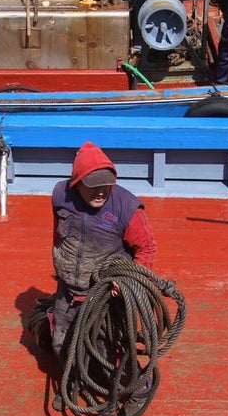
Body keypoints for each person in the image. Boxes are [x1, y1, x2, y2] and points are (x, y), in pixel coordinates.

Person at [49, 141, 157, 358]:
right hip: (68, 292)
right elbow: (57, 236)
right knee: (62, 346)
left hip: (105, 296)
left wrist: (127, 282)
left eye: (106, 185)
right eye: (93, 186)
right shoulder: (61, 194)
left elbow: (146, 248)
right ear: (77, 183)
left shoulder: (127, 207)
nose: (100, 192)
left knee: (106, 355)